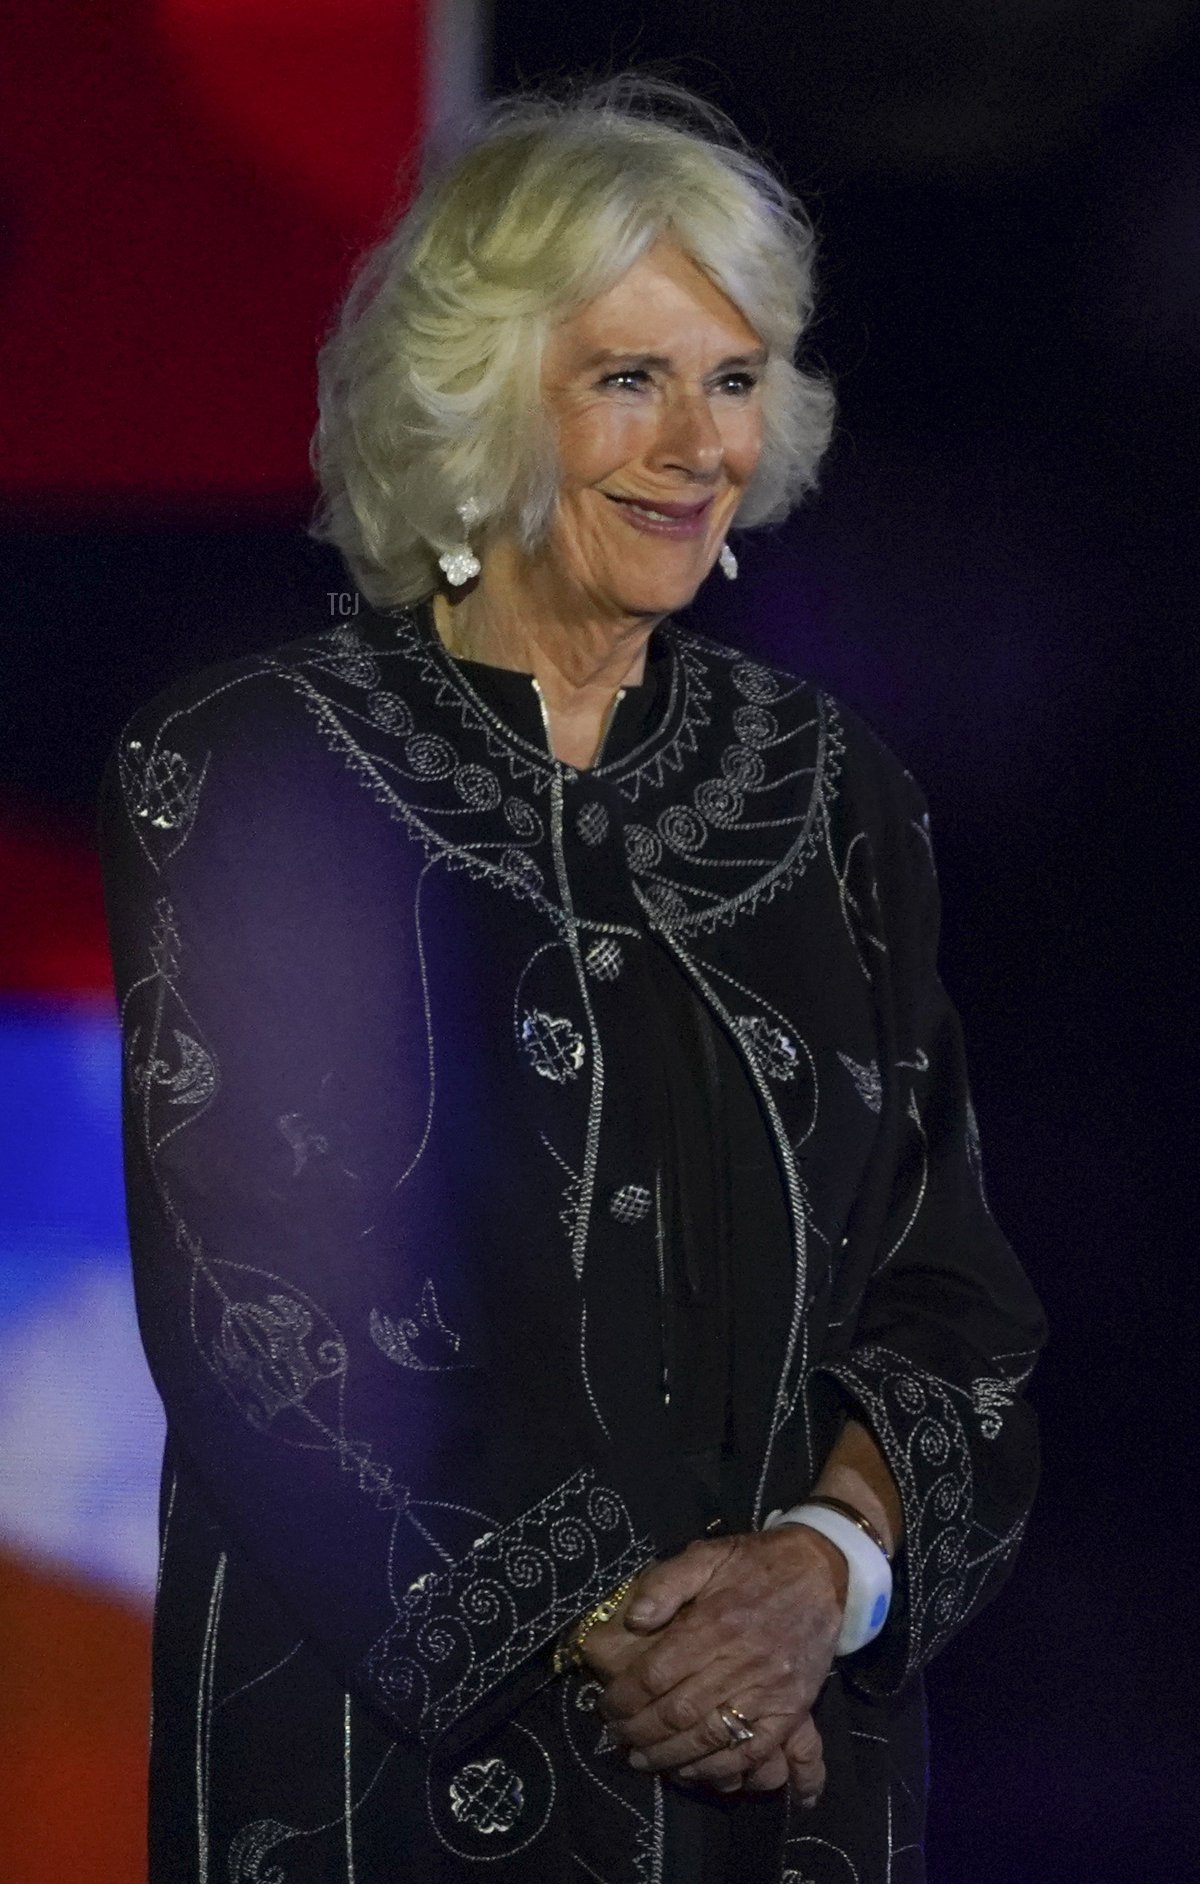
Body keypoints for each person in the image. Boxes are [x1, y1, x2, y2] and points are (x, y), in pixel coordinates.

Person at [98, 78, 1047, 1884]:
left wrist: (820, 1579)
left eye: (736, 378)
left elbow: (955, 1297)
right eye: (631, 378)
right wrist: (654, 1649)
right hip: (396, 1808)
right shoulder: (256, 768)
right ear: (479, 400)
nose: (701, 444)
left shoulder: (841, 793)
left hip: (785, 1809)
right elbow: (269, 1306)